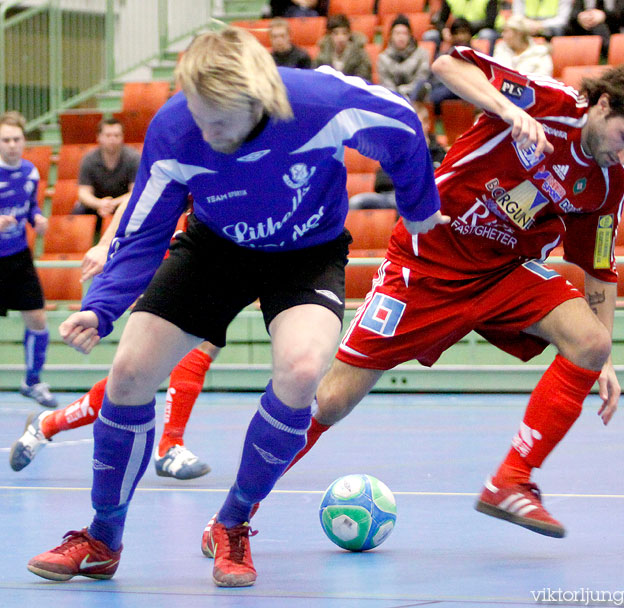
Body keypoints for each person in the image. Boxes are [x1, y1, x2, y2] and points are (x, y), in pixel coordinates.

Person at [26, 25, 446, 587]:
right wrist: (100, 308)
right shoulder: (177, 126)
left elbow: (403, 126)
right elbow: (145, 228)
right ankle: (102, 538)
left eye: (219, 120)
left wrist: (420, 213)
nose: (206, 129)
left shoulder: (319, 102)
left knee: (301, 373)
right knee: (127, 375)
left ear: (260, 99)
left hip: (306, 254)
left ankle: (233, 522)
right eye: (198, 115)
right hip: (214, 249)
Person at [207, 51, 624, 544]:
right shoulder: (544, 102)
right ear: (602, 106)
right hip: (426, 265)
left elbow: (597, 270)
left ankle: (511, 481)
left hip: (502, 274)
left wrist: (601, 355)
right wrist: (507, 108)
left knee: (589, 341)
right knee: (329, 401)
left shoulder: (608, 182)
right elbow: (447, 66)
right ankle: (233, 515)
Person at [10, 202, 217, 479]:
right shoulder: (182, 162)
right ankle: (169, 444)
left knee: (196, 348)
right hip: (170, 255)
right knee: (142, 369)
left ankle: (48, 424)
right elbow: (138, 195)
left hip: (217, 257)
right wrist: (104, 243)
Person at [0, 111, 57, 409]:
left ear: (24, 140)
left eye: (16, 139)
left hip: (19, 258)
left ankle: (32, 381)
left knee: (37, 319)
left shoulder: (30, 172)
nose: (11, 145)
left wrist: (38, 219)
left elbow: (32, 206)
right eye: (5, 139)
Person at [350, 101, 447, 209]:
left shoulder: (439, 153)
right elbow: (381, 181)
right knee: (357, 202)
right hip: (394, 196)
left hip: (423, 200)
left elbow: (440, 183)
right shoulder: (395, 149)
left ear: (427, 124)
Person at [72, 117, 140, 234]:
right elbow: (83, 193)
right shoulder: (89, 159)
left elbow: (135, 192)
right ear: (99, 137)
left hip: (123, 205)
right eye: (108, 135)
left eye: (116, 135)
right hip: (97, 205)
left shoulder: (133, 158)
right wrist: (100, 203)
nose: (112, 139)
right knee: (78, 212)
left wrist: (113, 203)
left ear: (122, 137)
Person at [377, 14, 432, 101]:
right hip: (392, 99)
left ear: (410, 36)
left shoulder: (422, 54)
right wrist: (396, 94)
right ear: (391, 36)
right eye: (397, 33)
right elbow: (385, 83)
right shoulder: (383, 58)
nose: (401, 37)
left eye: (404, 33)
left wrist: (404, 90)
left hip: (416, 98)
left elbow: (421, 79)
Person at [427, 18, 474, 113]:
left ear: (470, 35)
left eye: (464, 33)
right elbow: (435, 79)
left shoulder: (478, 56)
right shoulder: (444, 55)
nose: (461, 37)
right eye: (457, 33)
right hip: (447, 88)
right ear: (452, 36)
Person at [425, 0, 501, 52]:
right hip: (457, 32)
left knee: (487, 34)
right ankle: (434, 68)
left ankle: (488, 66)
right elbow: (440, 20)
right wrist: (444, 30)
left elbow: (490, 22)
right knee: (430, 35)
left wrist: (467, 31)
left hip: (478, 31)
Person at [315, 14, 372, 82]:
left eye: (344, 33)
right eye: (336, 33)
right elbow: (317, 76)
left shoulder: (359, 53)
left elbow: (364, 78)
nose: (341, 38)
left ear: (349, 34)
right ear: (329, 35)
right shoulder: (322, 53)